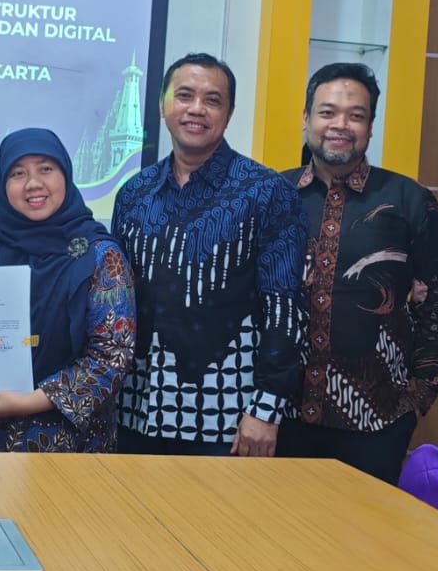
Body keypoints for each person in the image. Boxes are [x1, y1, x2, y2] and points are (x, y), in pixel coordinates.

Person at [111, 53, 309, 456]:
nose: (197, 109)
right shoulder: (134, 193)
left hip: (227, 419)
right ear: (163, 105)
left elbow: (285, 308)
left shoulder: (266, 192)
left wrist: (266, 409)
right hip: (136, 409)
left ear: (229, 113)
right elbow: (119, 301)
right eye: (185, 95)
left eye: (213, 100)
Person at [277, 63, 438, 483]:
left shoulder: (408, 200)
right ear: (306, 118)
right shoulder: (275, 195)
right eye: (327, 112)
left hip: (377, 422)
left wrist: (417, 397)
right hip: (280, 417)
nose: (340, 125)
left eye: (355, 115)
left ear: (370, 127)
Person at [0, 129, 137, 453]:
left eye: (46, 169)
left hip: (65, 444)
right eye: (18, 173)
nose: (33, 183)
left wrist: (30, 402)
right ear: (2, 184)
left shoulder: (100, 256)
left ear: (66, 175)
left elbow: (111, 357)